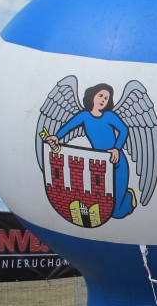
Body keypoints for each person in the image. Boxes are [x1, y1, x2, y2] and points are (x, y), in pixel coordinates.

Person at [44, 83, 136, 219]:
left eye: (106, 98)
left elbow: (124, 130)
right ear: (93, 96)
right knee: (102, 206)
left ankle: (128, 197)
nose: (103, 100)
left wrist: (116, 148)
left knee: (117, 212)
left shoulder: (109, 116)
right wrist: (56, 137)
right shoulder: (84, 116)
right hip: (99, 165)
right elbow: (69, 127)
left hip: (117, 162)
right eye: (101, 96)